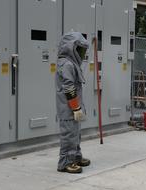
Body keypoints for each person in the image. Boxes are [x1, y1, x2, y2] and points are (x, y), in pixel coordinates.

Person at [55, 32, 90, 173]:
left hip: (74, 107)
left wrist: (77, 107)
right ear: (71, 48)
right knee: (68, 135)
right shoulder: (67, 64)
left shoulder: (72, 63)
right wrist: (75, 108)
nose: (82, 53)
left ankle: (75, 156)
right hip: (68, 108)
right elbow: (68, 87)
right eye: (80, 49)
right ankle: (65, 163)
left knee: (75, 133)